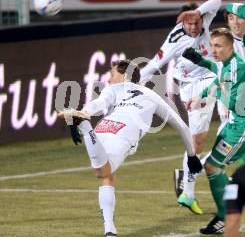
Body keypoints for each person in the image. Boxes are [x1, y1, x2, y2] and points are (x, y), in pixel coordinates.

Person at [58, 60, 203, 236]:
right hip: (125, 130)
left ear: (125, 75)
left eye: (112, 74)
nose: (109, 78)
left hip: (103, 128)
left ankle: (110, 230)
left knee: (107, 176)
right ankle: (86, 128)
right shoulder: (151, 94)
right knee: (104, 172)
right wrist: (191, 155)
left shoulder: (112, 90)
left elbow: (98, 104)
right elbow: (182, 126)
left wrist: (84, 113)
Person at [140, 0, 222, 214]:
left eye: (196, 22)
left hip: (214, 77)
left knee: (230, 127)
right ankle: (188, 190)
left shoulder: (204, 19)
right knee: (197, 140)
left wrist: (197, 11)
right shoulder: (174, 38)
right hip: (193, 86)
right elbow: (153, 65)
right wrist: (130, 85)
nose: (194, 28)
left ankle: (187, 185)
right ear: (182, 24)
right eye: (189, 24)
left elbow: (217, 1)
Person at [183, 28, 245, 234]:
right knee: (214, 168)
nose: (213, 50)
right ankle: (228, 210)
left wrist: (212, 92)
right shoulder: (227, 64)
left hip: (244, 126)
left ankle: (225, 215)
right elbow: (217, 75)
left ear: (230, 47)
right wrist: (199, 91)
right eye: (212, 45)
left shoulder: (238, 69)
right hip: (234, 125)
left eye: (218, 46)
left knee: (212, 166)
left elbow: (232, 101)